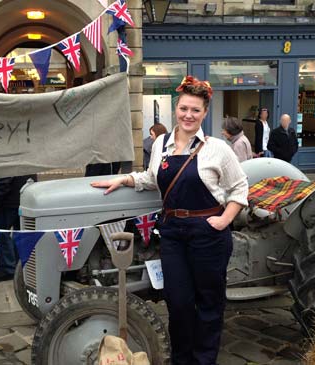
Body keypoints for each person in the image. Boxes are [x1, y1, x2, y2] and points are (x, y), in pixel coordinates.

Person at [91, 76, 248, 365]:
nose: (189, 115)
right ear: (176, 109)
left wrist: (224, 220)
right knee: (178, 304)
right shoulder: (161, 143)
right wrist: (124, 179)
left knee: (208, 304)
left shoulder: (217, 148)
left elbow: (240, 187)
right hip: (173, 233)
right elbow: (152, 179)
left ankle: (203, 361)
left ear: (204, 113)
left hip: (208, 233)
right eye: (184, 109)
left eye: (196, 110)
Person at [0, 175, 35, 282]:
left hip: (7, 199)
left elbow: (5, 173)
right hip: (23, 194)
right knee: (20, 233)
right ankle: (19, 265)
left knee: (0, 233)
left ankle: (8, 268)